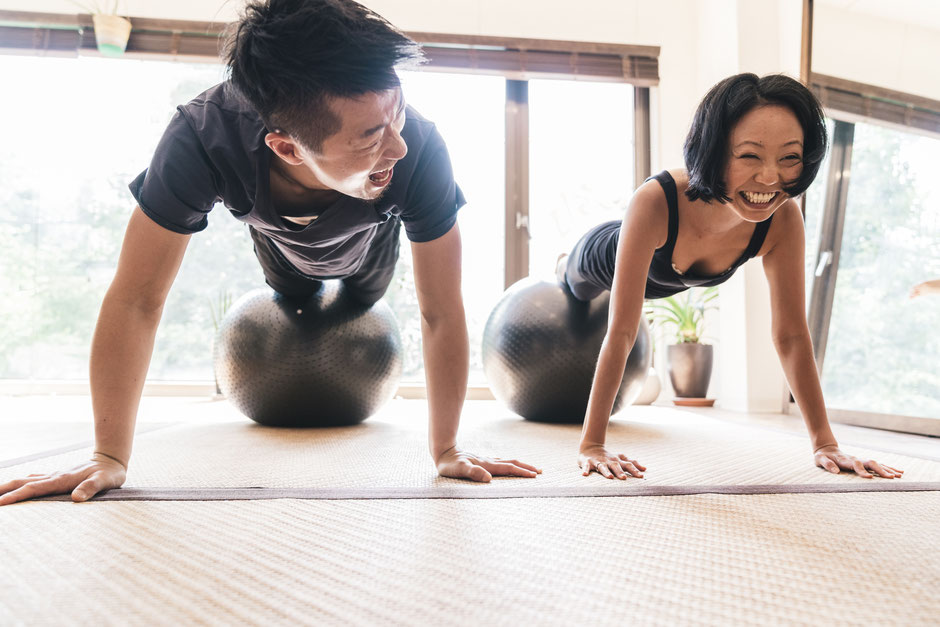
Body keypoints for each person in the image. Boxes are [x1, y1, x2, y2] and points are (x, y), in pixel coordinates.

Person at [0, 0, 540, 506]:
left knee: (365, 294)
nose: (397, 145)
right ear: (285, 146)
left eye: (397, 113)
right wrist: (108, 455)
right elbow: (136, 299)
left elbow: (440, 311)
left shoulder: (419, 148)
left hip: (370, 250)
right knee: (293, 288)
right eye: (370, 137)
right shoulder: (202, 137)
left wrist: (447, 449)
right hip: (278, 249)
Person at [558, 73, 903, 481]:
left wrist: (826, 443)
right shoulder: (655, 201)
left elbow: (791, 334)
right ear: (714, 150)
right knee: (573, 285)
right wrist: (592, 444)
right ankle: (561, 261)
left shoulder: (782, 220)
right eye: (750, 156)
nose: (771, 178)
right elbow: (621, 331)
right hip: (602, 257)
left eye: (789, 158)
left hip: (669, 280)